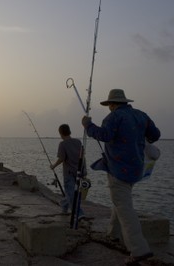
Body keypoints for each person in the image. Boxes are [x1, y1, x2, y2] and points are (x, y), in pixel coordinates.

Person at [81, 88, 160, 265]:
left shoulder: (113, 117)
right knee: (120, 201)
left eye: (109, 105)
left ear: (112, 104)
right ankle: (113, 235)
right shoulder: (142, 115)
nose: (109, 108)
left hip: (118, 169)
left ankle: (139, 249)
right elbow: (155, 135)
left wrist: (88, 125)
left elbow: (105, 135)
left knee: (124, 207)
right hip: (136, 168)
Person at [50, 124, 84, 218]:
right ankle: (64, 208)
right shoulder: (78, 142)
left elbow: (61, 158)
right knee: (71, 192)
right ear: (69, 131)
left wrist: (53, 166)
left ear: (60, 133)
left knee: (71, 194)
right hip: (79, 172)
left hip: (68, 173)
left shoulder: (62, 144)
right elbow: (82, 157)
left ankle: (79, 213)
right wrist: (84, 170)